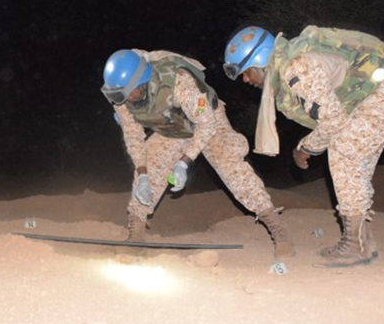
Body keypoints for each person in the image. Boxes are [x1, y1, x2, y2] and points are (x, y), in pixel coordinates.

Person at [223, 26, 384, 266]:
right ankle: (361, 241)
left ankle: (355, 245)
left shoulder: (297, 69)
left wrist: (305, 147)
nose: (246, 79)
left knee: (344, 148)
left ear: (259, 61)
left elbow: (333, 122)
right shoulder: (290, 69)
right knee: (355, 150)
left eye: (246, 72)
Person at [100, 49, 295, 259]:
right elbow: (133, 137)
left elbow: (206, 123)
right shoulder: (121, 98)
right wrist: (143, 173)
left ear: (141, 81)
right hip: (173, 127)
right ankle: (136, 238)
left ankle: (279, 231)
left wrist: (184, 162)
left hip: (208, 119)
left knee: (228, 161)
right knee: (150, 163)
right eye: (115, 95)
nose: (121, 100)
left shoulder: (179, 81)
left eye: (124, 93)